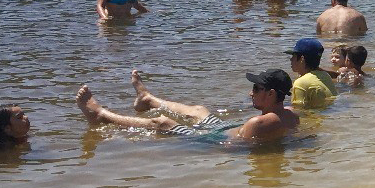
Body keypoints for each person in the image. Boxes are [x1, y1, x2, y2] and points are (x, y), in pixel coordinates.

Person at [74, 69, 298, 143]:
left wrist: (194, 138)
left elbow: (229, 147)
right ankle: (148, 99)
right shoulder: (291, 114)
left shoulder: (258, 122)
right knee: (199, 110)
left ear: (270, 93)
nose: (251, 92)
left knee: (162, 123)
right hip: (226, 129)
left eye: (256, 89)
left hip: (214, 138)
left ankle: (100, 115)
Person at [287, 38, 336, 109]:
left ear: (302, 59)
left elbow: (298, 111)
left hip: (311, 119)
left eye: (293, 56)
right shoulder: (325, 76)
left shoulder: (301, 83)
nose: (291, 59)